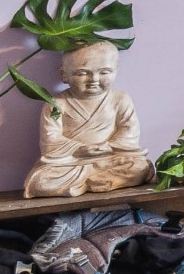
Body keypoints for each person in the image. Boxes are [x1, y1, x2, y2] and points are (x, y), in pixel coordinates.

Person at [23, 42, 154, 197]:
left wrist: (108, 146)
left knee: (139, 166)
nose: (94, 79)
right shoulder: (56, 104)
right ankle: (94, 181)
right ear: (64, 74)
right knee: (41, 181)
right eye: (82, 73)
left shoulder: (120, 99)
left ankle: (96, 181)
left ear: (116, 71)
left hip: (110, 158)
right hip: (70, 164)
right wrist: (79, 149)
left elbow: (129, 131)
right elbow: (50, 139)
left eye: (104, 72)